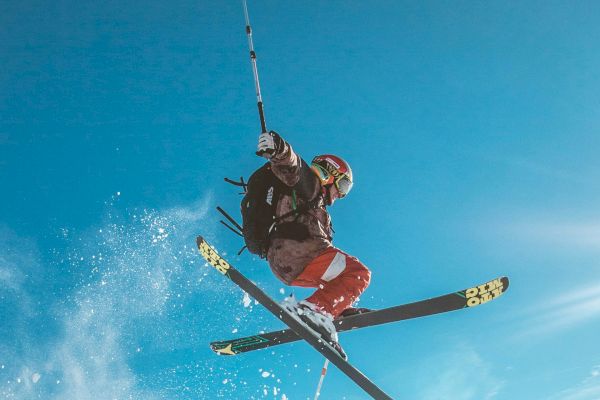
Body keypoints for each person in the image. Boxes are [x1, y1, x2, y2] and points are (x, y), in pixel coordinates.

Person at [256, 130, 371, 359]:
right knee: (359, 273)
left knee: (339, 276)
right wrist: (278, 148)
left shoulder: (316, 204)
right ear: (330, 173)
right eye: (344, 186)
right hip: (299, 252)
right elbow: (292, 166)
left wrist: (342, 306)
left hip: (285, 263)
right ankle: (315, 310)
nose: (341, 195)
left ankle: (331, 308)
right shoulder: (309, 185)